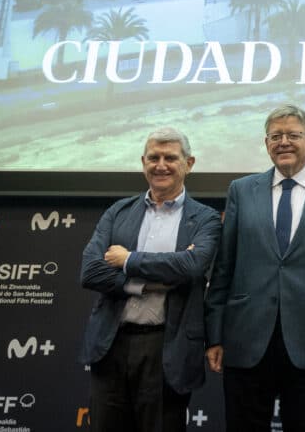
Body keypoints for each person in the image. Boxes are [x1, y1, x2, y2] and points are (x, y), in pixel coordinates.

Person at [204, 104, 305, 432]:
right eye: (276, 136)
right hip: (246, 337)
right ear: (266, 144)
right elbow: (224, 267)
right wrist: (215, 334)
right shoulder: (241, 190)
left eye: (293, 135)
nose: (284, 142)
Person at [78, 127, 221, 432]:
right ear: (143, 161)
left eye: (170, 157)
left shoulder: (205, 218)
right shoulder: (119, 211)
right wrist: (143, 284)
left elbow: (192, 267)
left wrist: (128, 260)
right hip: (111, 345)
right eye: (153, 157)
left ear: (189, 163)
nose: (161, 165)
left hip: (166, 348)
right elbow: (90, 270)